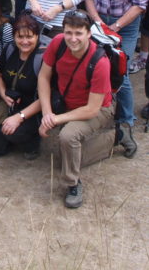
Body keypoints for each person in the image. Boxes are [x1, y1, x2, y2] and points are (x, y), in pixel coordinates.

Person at [36, 11, 115, 209]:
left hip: (98, 109)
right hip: (65, 102)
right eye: (68, 33)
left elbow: (91, 109)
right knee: (65, 149)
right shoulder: (58, 43)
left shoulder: (100, 62)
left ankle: (72, 183)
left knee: (67, 138)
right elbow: (44, 77)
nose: (73, 39)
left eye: (78, 33)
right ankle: (77, 151)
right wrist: (47, 113)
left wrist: (56, 119)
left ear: (89, 33)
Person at [83, 0, 148, 157]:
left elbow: (141, 3)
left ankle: (126, 122)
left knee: (121, 71)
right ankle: (98, 112)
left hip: (126, 26)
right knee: (96, 68)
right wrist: (98, 22)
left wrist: (116, 26)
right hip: (99, 22)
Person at [0, 14, 44, 158]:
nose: (24, 42)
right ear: (14, 37)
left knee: (14, 133)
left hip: (33, 108)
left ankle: (32, 140)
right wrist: (3, 93)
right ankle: (9, 133)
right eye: (20, 37)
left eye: (29, 37)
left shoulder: (42, 57)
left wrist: (20, 117)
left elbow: (47, 97)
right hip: (10, 103)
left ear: (37, 36)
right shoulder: (10, 49)